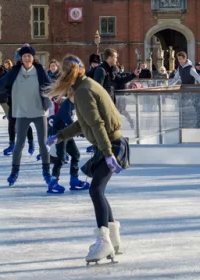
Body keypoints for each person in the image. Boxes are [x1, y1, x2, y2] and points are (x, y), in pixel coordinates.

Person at [45, 55, 130, 264]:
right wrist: (60, 136)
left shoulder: (83, 92)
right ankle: (114, 238)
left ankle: (105, 242)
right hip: (112, 143)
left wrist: (108, 153)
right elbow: (83, 124)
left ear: (66, 74)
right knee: (98, 189)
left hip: (111, 145)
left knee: (95, 189)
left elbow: (97, 124)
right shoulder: (86, 85)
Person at [0, 44, 52, 186]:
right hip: (21, 112)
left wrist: (59, 90)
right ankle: (14, 171)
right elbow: (2, 82)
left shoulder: (40, 70)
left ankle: (46, 171)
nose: (27, 58)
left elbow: (50, 85)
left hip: (39, 111)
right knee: (19, 145)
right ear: (21, 58)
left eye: (29, 56)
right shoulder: (15, 71)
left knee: (43, 144)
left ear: (33, 57)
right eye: (24, 56)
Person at [45, 97, 90, 194]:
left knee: (76, 155)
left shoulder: (74, 103)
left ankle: (74, 180)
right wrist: (81, 132)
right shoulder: (66, 104)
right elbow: (68, 120)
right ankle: (53, 182)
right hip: (60, 134)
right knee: (61, 158)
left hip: (67, 133)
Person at [169, 52, 200, 125]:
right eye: (178, 59)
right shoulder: (180, 68)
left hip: (193, 90)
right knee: (184, 106)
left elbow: (198, 78)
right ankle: (185, 122)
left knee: (197, 106)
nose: (179, 60)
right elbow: (176, 78)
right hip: (184, 90)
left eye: (180, 59)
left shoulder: (190, 68)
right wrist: (169, 86)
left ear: (184, 58)